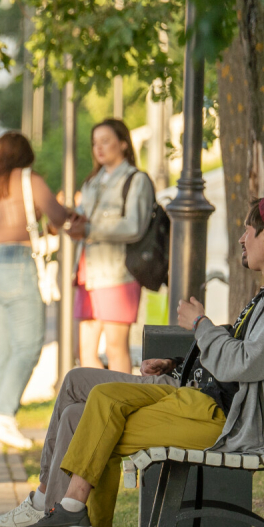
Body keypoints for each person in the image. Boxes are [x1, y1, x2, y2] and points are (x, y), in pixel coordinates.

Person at [13, 191, 264, 527]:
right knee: (85, 411)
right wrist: (180, 364)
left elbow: (244, 363)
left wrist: (200, 324)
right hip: (207, 405)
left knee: (99, 405)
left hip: (226, 422)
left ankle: (73, 511)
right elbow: (241, 361)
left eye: (248, 230)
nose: (242, 238)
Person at [0, 132, 78, 451]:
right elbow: (59, 216)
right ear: (24, 155)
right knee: (28, 345)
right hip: (17, 263)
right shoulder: (29, 180)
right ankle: (2, 417)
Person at [75, 119, 155, 374]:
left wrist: (90, 229)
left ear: (123, 143)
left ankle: (119, 397)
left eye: (106, 141)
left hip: (118, 274)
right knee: (85, 351)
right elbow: (81, 218)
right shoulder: (91, 182)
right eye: (95, 143)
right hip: (88, 273)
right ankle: (96, 397)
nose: (99, 148)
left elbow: (133, 226)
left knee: (115, 348)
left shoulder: (136, 180)